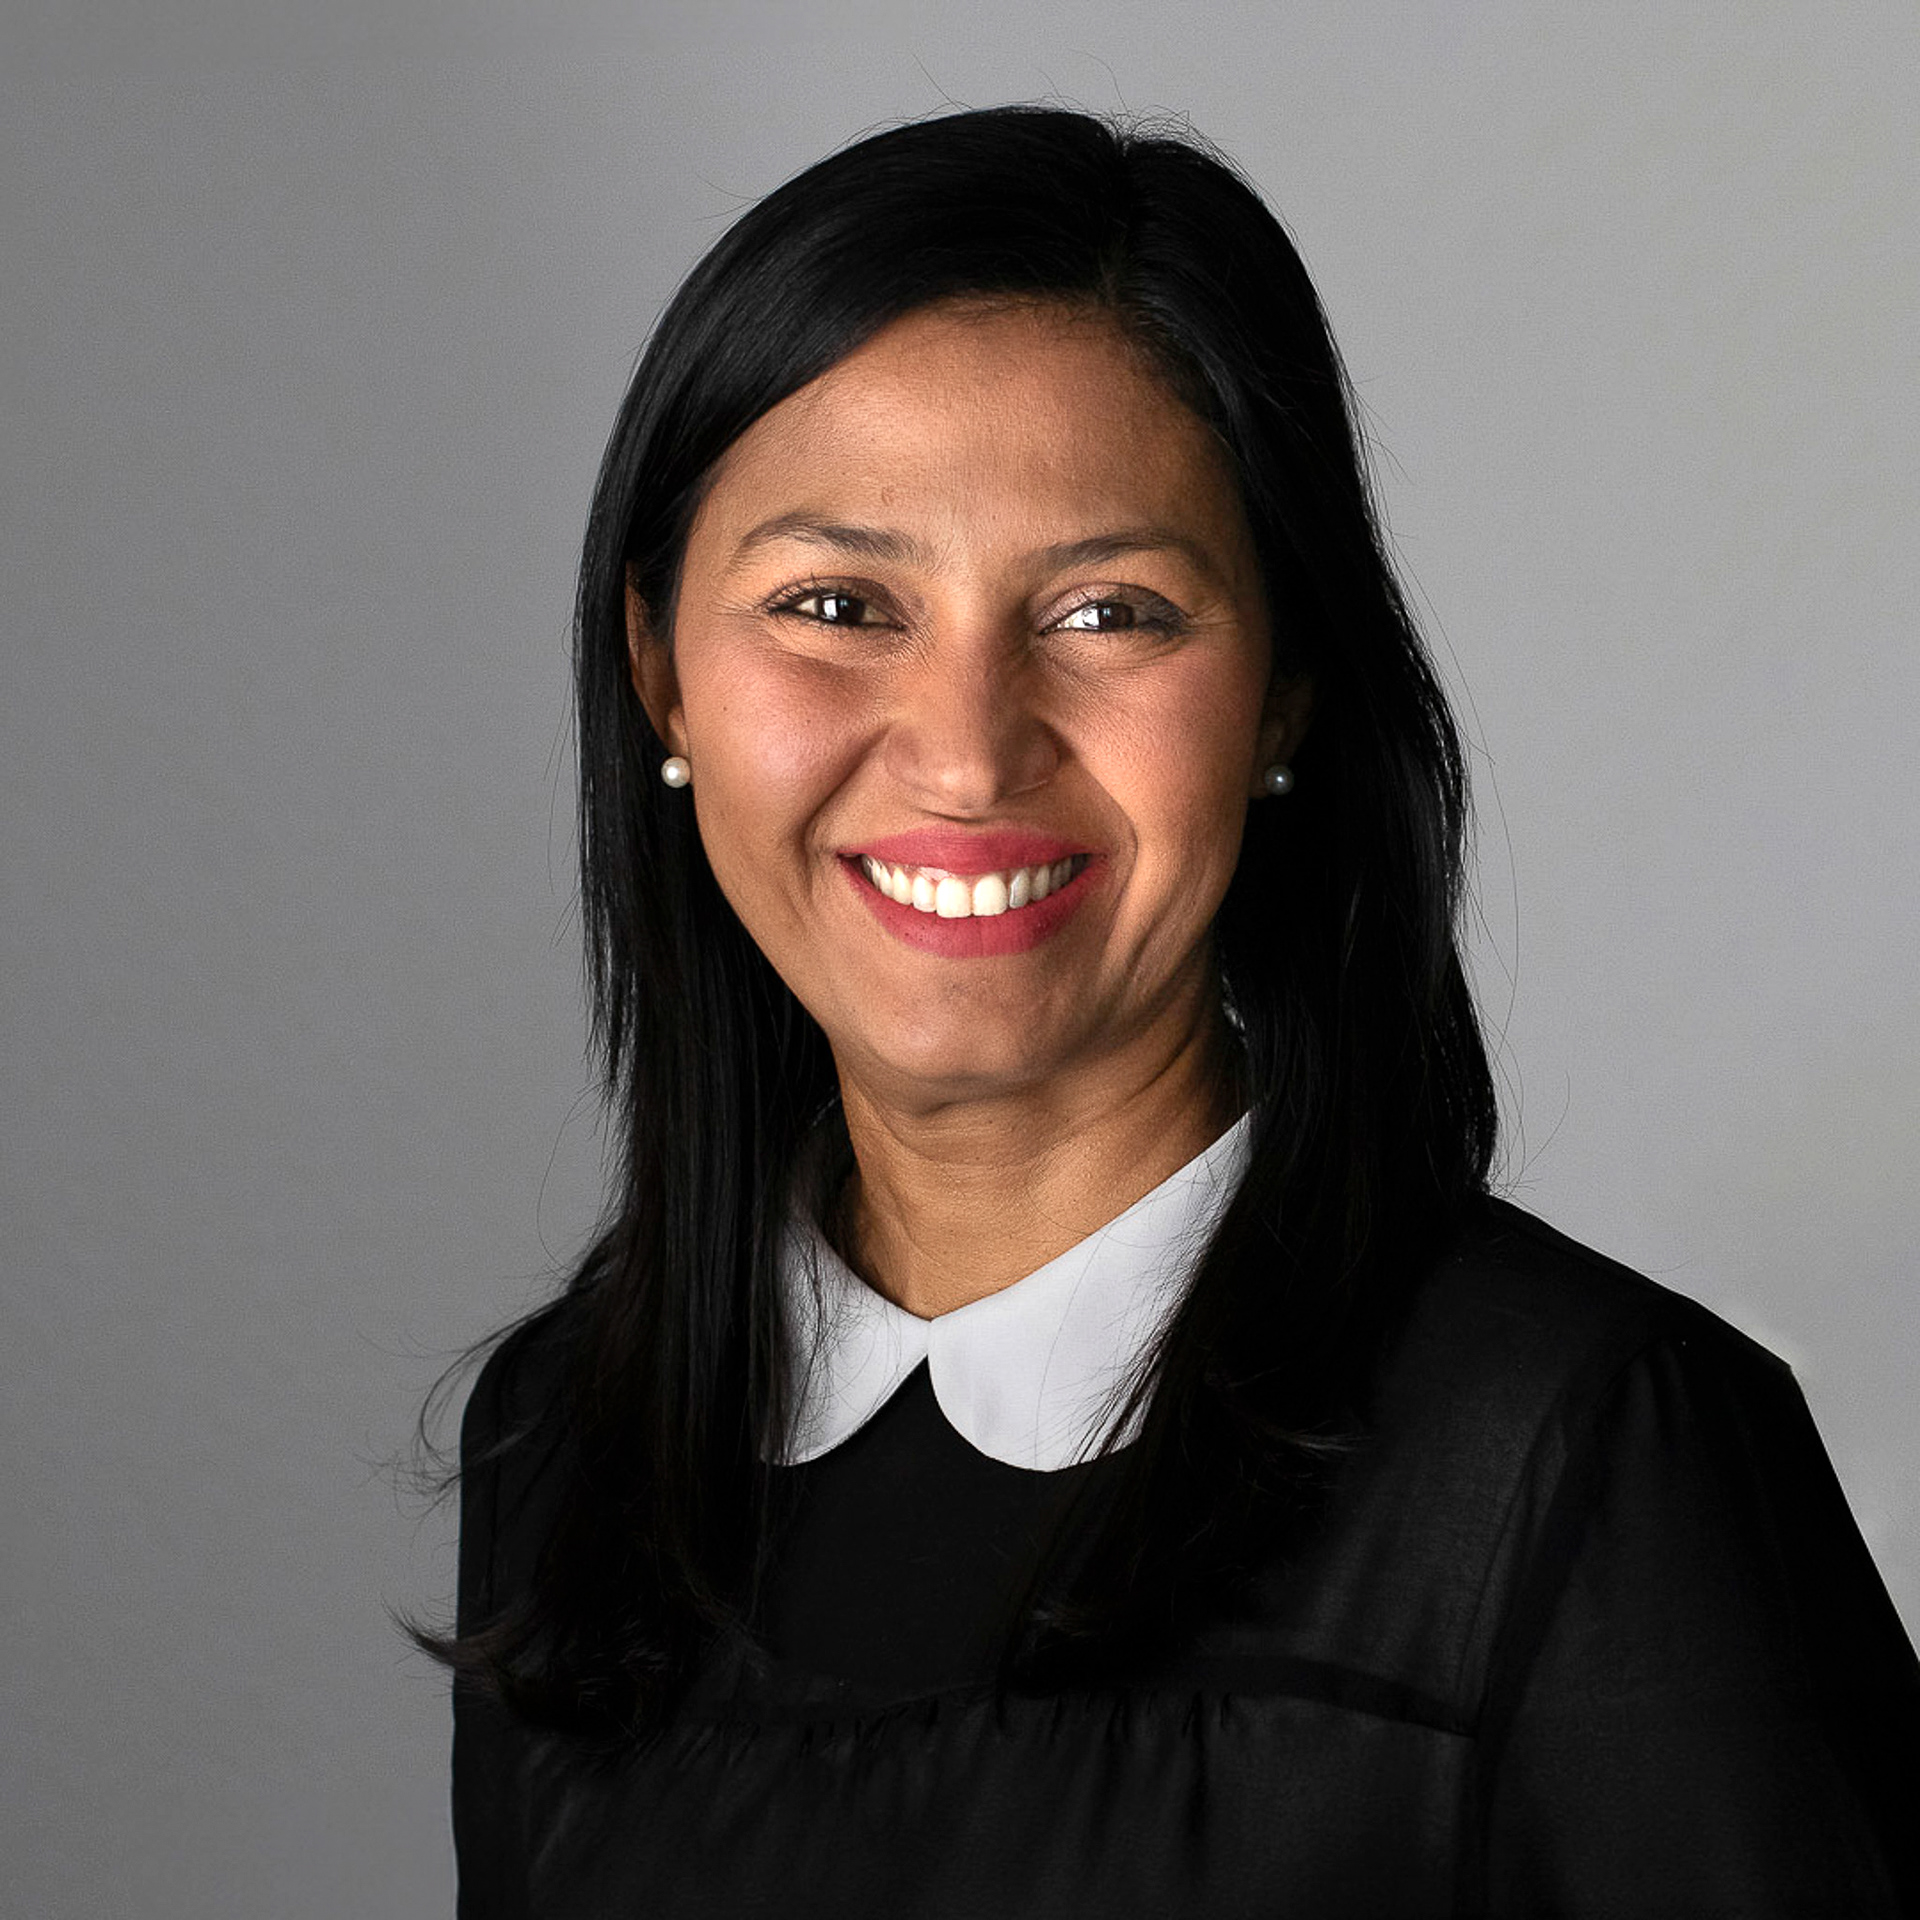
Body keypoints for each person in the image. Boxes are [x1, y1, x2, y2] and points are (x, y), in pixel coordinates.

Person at [422, 104, 1920, 1916]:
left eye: (1109, 613)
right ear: (660, 671)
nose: (967, 753)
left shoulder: (1588, 1456)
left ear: (1286, 692)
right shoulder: (568, 1446)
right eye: (835, 604)